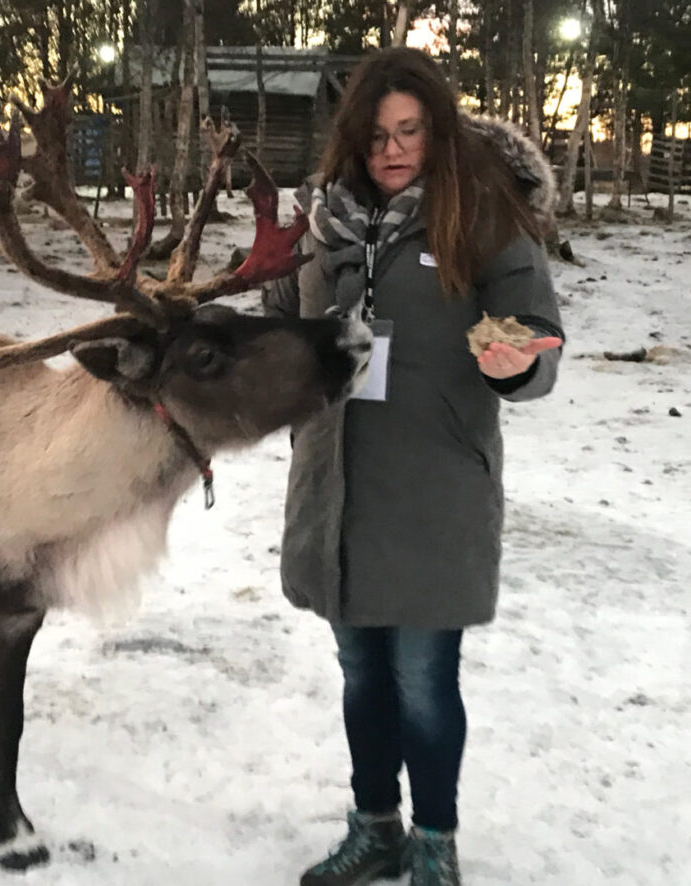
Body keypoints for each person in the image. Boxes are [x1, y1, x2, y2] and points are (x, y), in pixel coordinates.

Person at [262, 47, 564, 886]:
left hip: (435, 490)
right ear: (353, 141)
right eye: (376, 135)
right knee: (362, 675)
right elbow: (281, 317)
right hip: (337, 490)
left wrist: (520, 359)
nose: (392, 150)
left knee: (425, 681)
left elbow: (532, 328)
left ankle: (434, 839)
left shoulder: (484, 219)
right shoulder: (325, 227)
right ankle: (375, 825)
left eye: (410, 132)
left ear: (439, 133)